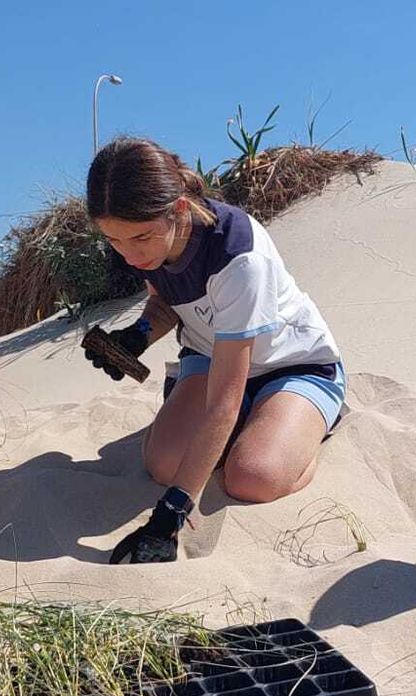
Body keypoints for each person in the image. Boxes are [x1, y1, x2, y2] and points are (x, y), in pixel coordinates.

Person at [83, 137, 345, 565]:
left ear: (179, 210)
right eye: (114, 241)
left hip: (291, 363)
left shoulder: (238, 257)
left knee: (253, 477)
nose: (130, 255)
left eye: (141, 238)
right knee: (165, 464)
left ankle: (313, 422)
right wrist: (137, 337)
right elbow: (166, 303)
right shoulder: (154, 248)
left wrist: (172, 513)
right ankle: (255, 424)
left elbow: (222, 402)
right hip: (209, 356)